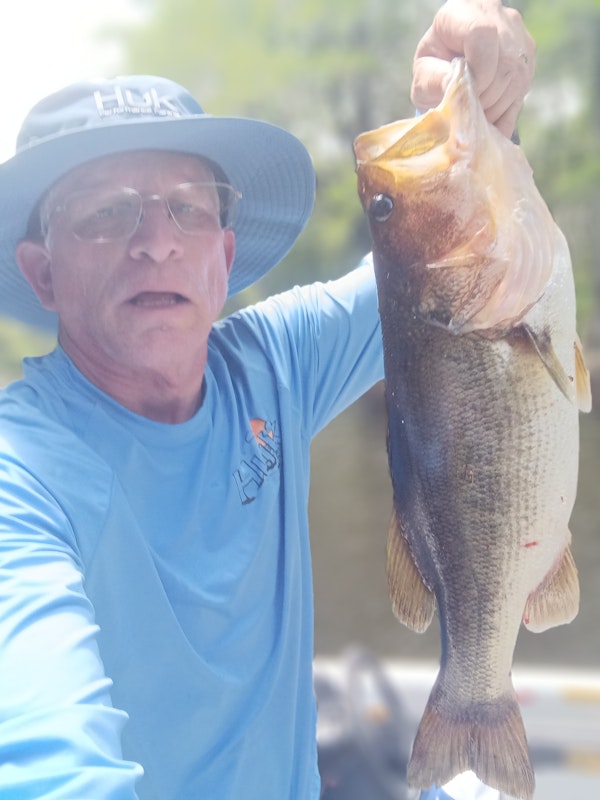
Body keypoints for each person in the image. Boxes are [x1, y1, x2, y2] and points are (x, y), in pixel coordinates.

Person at [0, 1, 535, 798]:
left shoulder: (272, 361)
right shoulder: (20, 474)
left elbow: (445, 271)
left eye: (188, 205)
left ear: (223, 257)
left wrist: (483, 117)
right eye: (106, 213)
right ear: (44, 273)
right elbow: (48, 753)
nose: (157, 241)